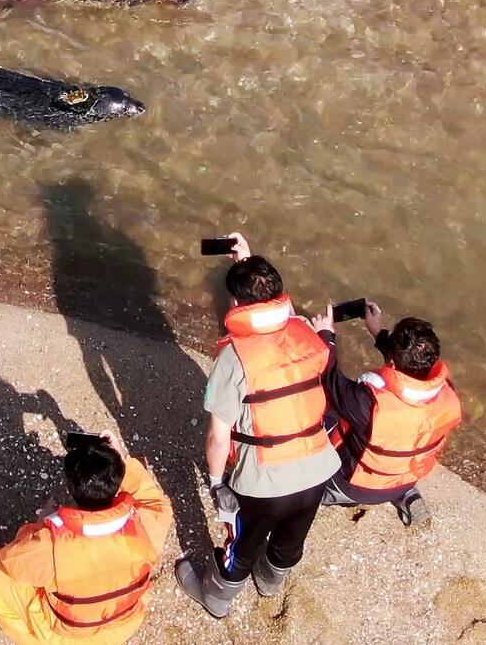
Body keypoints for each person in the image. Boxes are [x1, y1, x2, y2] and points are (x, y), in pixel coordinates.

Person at [176, 233, 341, 617]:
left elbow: (218, 438)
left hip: (263, 485)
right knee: (290, 540)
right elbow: (285, 318)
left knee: (242, 545)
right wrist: (246, 262)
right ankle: (270, 580)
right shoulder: (309, 334)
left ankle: (217, 597)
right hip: (318, 471)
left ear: (235, 304)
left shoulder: (234, 358)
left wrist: (216, 483)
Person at [0, 430, 172, 644]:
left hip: (70, 636)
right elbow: (156, 503)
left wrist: (39, 525)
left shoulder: (51, 545)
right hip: (124, 625)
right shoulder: (145, 525)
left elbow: (13, 560)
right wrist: (122, 458)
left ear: (71, 488)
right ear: (118, 480)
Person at [309, 301, 463, 527]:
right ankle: (406, 494)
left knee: (319, 418)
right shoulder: (448, 394)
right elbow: (406, 373)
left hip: (354, 486)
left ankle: (322, 493)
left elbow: (329, 379)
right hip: (405, 478)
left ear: (392, 360)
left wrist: (325, 336)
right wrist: (379, 333)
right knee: (404, 445)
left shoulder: (369, 403)